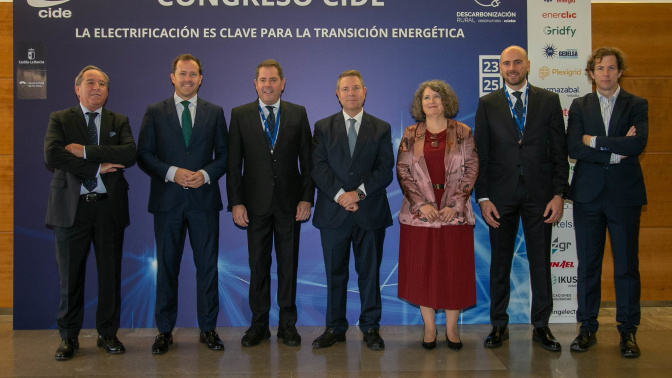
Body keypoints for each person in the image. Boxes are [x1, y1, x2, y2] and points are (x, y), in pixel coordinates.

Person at [474, 45, 569, 352]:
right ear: (500, 68)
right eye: (506, 63)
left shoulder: (549, 100)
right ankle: (498, 325)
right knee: (500, 263)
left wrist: (558, 194)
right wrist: (483, 197)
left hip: (541, 196)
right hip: (500, 196)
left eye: (517, 62)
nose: (512, 67)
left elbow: (559, 150)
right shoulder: (487, 103)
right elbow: (481, 154)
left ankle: (541, 326)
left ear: (528, 65)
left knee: (541, 263)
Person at [137, 54, 228, 354]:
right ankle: (164, 331)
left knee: (207, 268)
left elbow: (226, 155)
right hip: (168, 202)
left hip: (204, 202)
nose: (188, 79)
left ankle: (208, 329)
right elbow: (144, 154)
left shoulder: (214, 112)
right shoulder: (154, 111)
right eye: (182, 73)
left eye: (193, 74)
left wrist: (204, 175)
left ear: (201, 78)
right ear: (172, 77)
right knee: (166, 267)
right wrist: (173, 173)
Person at [44, 65, 136, 361]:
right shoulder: (60, 118)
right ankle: (69, 338)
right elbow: (53, 155)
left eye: (102, 83)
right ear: (77, 88)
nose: (96, 87)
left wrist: (84, 152)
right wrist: (96, 167)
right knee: (70, 278)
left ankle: (107, 334)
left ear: (107, 91)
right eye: (89, 82)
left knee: (110, 275)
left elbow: (128, 154)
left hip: (109, 209)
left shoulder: (118, 120)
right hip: (72, 211)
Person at [567, 47, 648, 358]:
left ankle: (628, 332)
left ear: (620, 72)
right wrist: (616, 150)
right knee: (588, 266)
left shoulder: (637, 104)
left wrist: (596, 141)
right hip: (588, 195)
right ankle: (587, 328)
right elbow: (574, 146)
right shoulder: (579, 105)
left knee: (627, 266)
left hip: (624, 196)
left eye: (612, 68)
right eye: (600, 68)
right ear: (591, 73)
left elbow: (638, 143)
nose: (605, 73)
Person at [226, 59, 314, 347]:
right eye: (263, 80)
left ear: (282, 83)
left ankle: (288, 325)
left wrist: (306, 198)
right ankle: (259, 325)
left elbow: (308, 161)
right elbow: (233, 163)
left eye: (273, 79)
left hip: (290, 205)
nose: (268, 85)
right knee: (258, 267)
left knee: (288, 266)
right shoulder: (239, 115)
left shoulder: (298, 114)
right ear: (255, 84)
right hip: (254, 206)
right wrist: (236, 202)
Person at [311, 70, 394, 351]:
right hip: (333, 214)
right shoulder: (322, 127)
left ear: (365, 91)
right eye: (345, 89)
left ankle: (370, 327)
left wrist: (356, 194)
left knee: (369, 273)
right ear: (337, 94)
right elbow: (317, 167)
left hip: (369, 213)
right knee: (335, 274)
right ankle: (335, 327)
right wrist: (340, 196)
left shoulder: (381, 128)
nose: (351, 93)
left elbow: (385, 170)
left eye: (356, 88)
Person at [396, 80, 478, 351]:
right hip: (420, 215)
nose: (431, 101)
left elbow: (472, 168)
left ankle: (452, 330)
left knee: (453, 270)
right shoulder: (411, 133)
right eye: (426, 97)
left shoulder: (463, 131)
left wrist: (455, 203)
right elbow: (403, 171)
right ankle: (430, 329)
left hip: (454, 212)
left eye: (436, 97)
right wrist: (422, 204)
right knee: (423, 272)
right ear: (420, 104)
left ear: (447, 101)